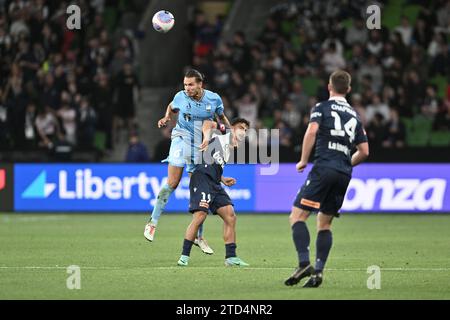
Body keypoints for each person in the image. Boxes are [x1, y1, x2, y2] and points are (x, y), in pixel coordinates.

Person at [284, 70, 369, 288]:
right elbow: (365, 151)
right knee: (324, 223)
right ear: (348, 89)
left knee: (297, 217)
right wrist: (345, 164)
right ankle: (318, 272)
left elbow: (312, 132)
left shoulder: (322, 107)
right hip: (343, 173)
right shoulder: (354, 115)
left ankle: (304, 263)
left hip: (323, 168)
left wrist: (303, 160)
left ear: (329, 86)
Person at [144, 69, 232, 255]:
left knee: (201, 192)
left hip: (200, 145)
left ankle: (199, 237)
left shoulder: (214, 99)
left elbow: (221, 118)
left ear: (200, 84)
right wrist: (167, 117)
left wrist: (230, 133)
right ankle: (152, 222)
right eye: (185, 84)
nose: (187, 88)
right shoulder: (181, 97)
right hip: (181, 138)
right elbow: (172, 105)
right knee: (173, 182)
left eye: (190, 84)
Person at [177, 117, 250, 267]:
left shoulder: (228, 150)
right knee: (200, 215)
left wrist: (222, 179)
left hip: (215, 182)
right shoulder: (224, 133)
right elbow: (208, 123)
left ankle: (231, 257)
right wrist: (206, 137)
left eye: (246, 130)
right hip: (202, 178)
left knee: (230, 216)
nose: (244, 131)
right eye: (241, 127)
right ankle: (184, 256)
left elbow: (214, 163)